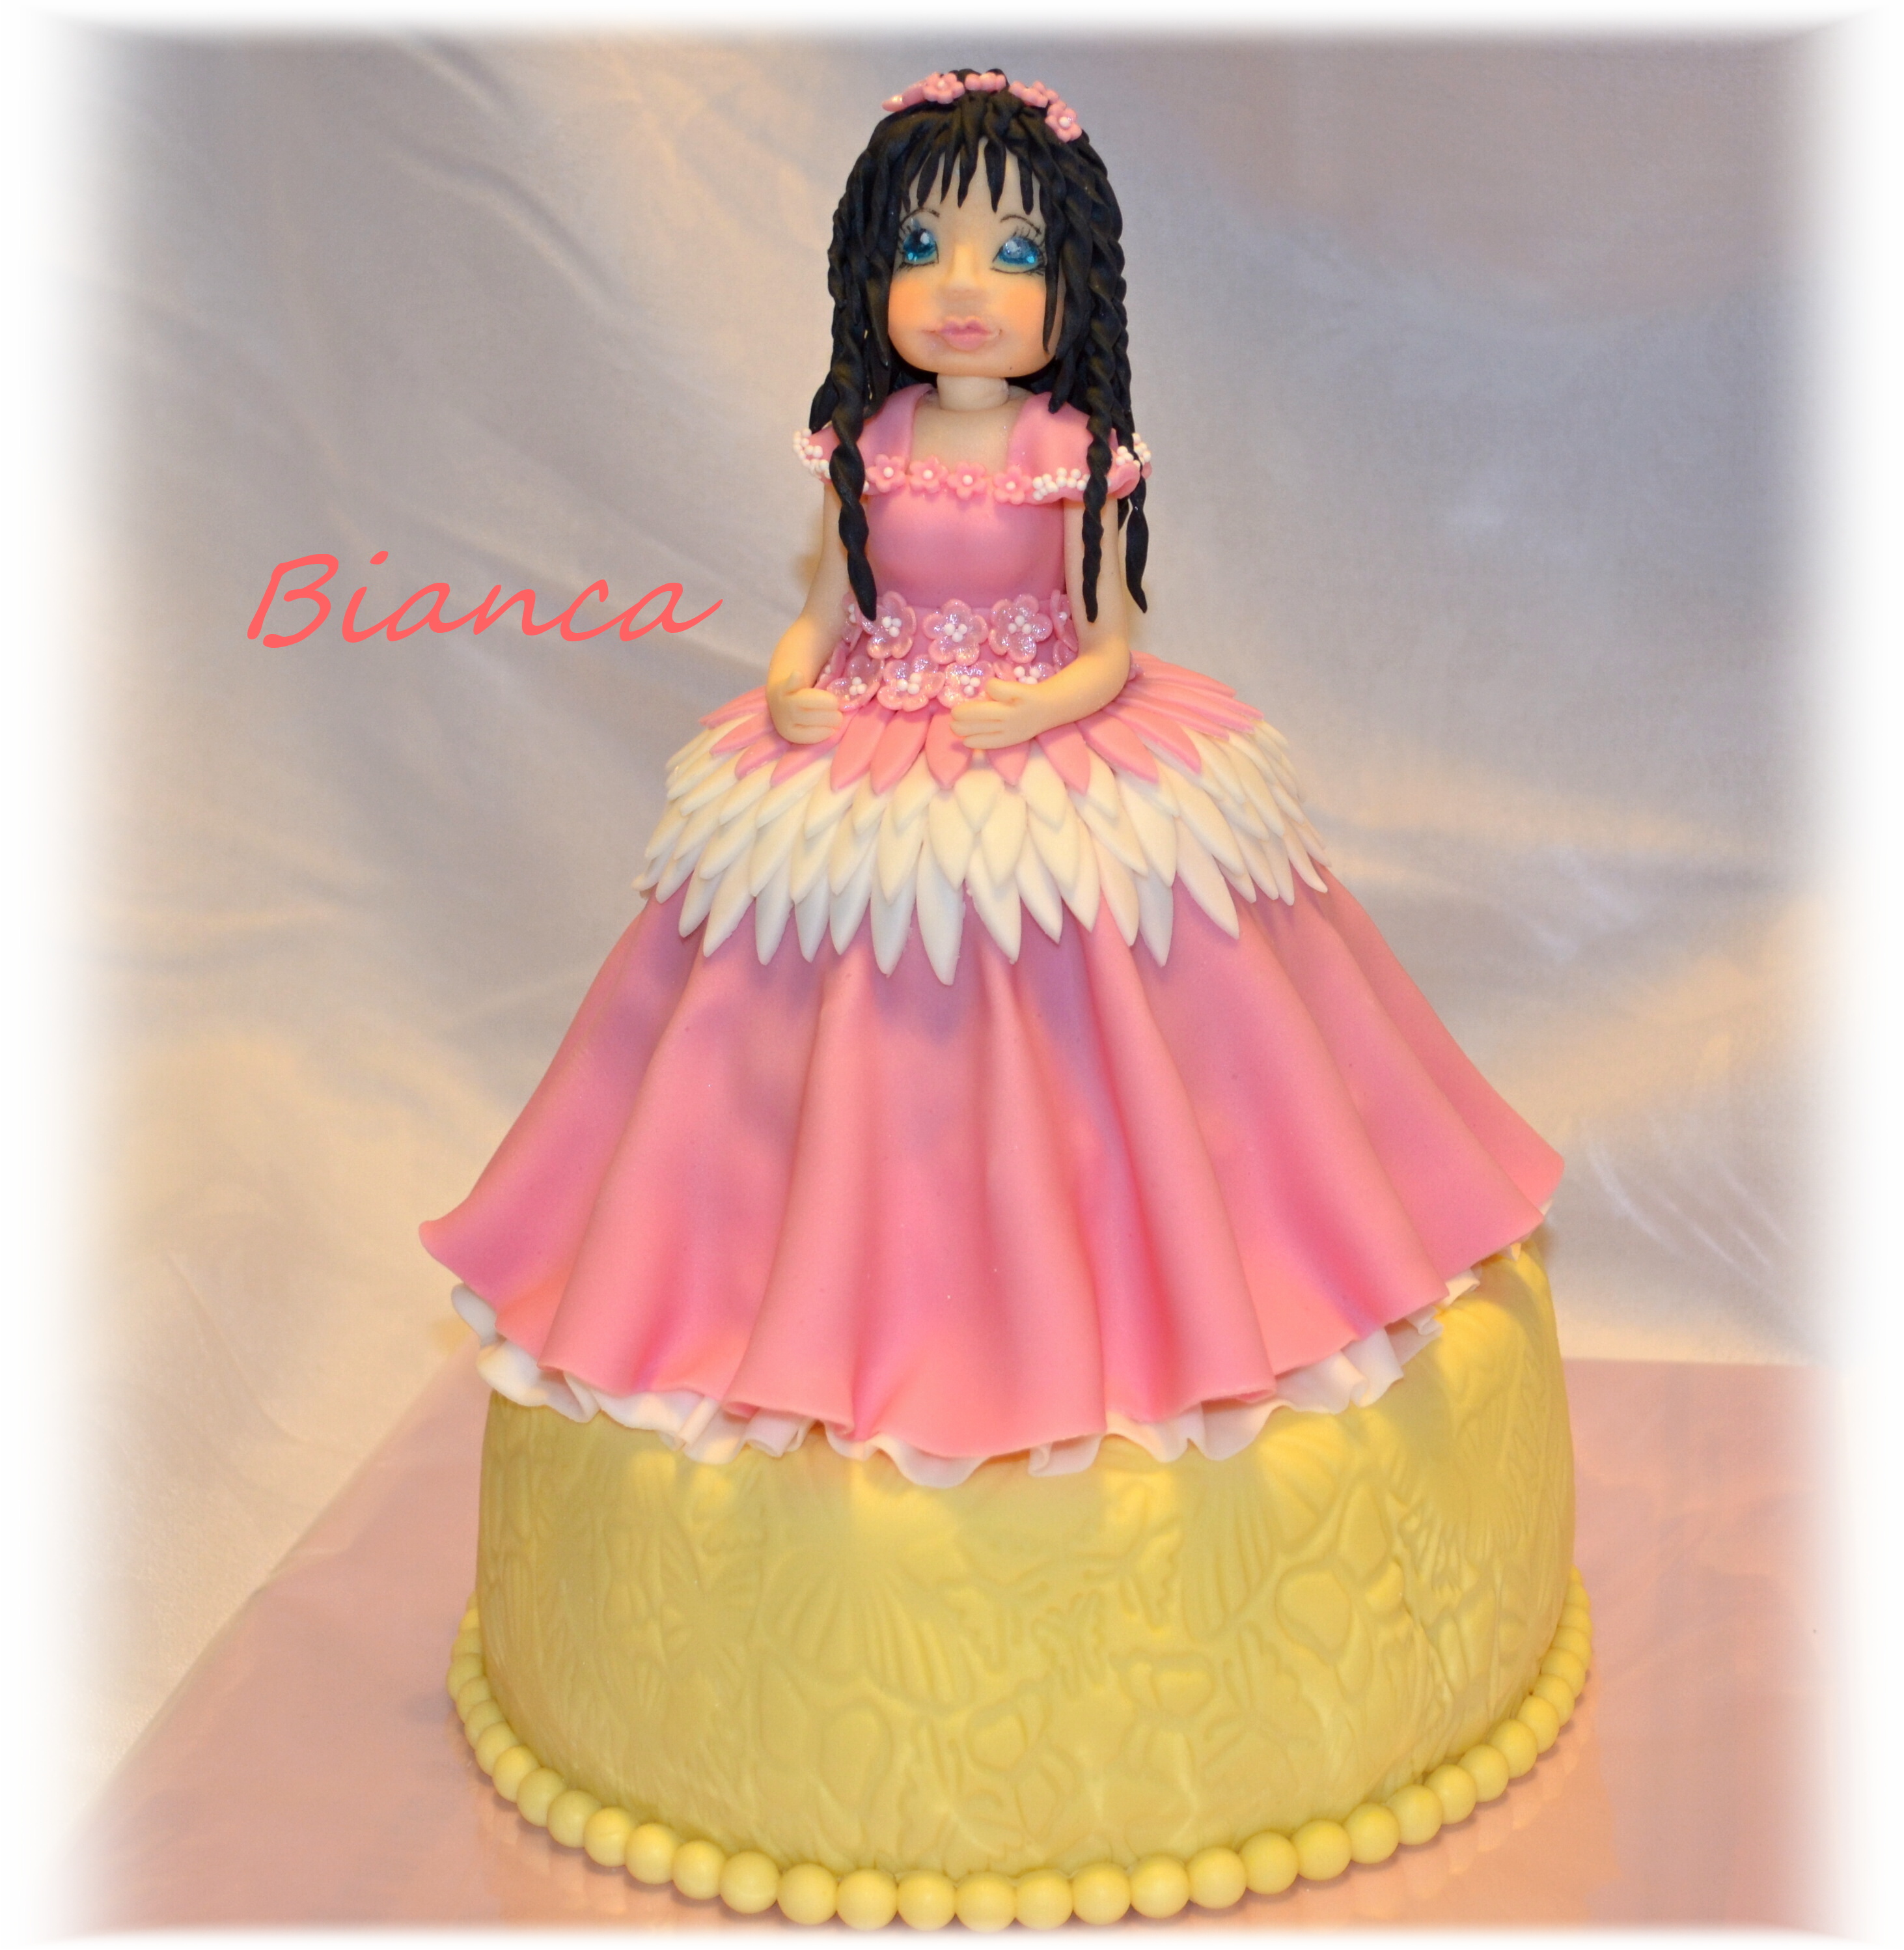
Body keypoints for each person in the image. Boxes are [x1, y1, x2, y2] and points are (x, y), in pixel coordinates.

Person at [421, 69, 1562, 1488]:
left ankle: (1151, 1275)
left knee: (1116, 932)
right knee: (789, 960)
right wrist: (789, 679)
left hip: (1036, 738)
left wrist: (1045, 708)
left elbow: (1107, 642)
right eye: (922, 246)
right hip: (874, 735)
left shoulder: (1074, 458)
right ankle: (784, 1287)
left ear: (1072, 283)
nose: (962, 287)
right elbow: (826, 610)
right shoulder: (865, 447)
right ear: (870, 274)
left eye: (1011, 252)